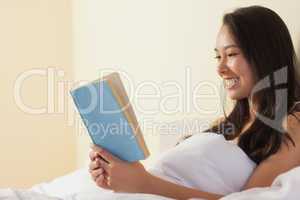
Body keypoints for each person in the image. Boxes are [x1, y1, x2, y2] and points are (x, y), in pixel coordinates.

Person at [88, 5, 300, 200]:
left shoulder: (292, 123)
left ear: (265, 54)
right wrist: (120, 177)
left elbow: (247, 198)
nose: (220, 68)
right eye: (218, 57)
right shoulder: (229, 125)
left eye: (231, 54)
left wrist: (144, 183)